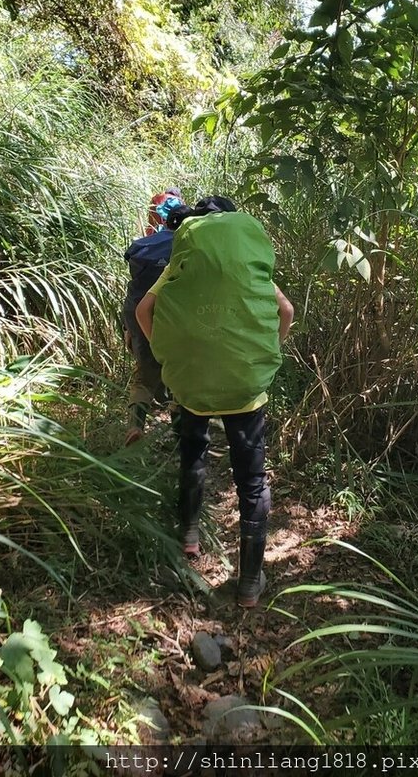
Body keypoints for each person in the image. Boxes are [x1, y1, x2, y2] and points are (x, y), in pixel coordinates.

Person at [135, 196, 294, 608]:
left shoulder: (183, 256)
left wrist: (170, 354)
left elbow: (144, 309)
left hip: (193, 384)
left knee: (193, 453)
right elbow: (285, 310)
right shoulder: (245, 258)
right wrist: (264, 355)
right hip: (245, 387)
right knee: (251, 482)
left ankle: (189, 537)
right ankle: (249, 584)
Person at [122, 188, 184, 445]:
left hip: (138, 314)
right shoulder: (189, 246)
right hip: (175, 316)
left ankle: (136, 425)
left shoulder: (140, 246)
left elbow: (134, 287)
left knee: (143, 374)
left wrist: (128, 328)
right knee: (179, 373)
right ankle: (181, 433)